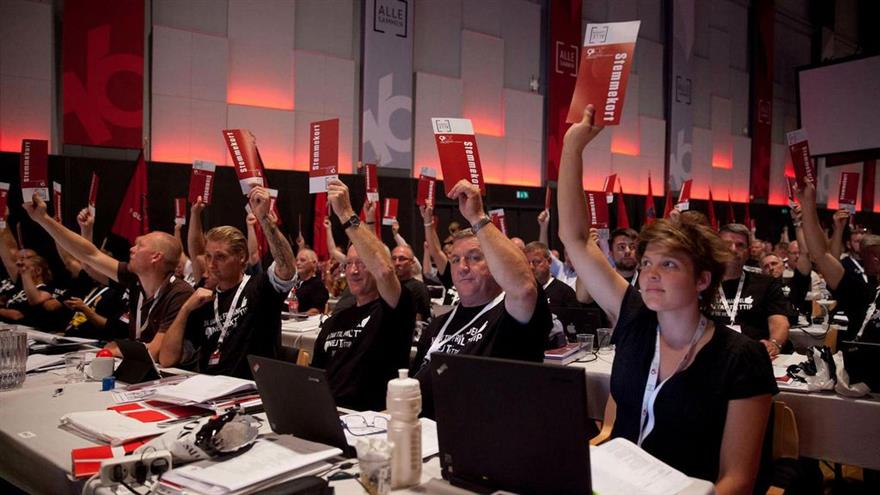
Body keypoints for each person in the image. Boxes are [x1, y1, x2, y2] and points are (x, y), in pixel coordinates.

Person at [558, 105, 776, 493]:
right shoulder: (635, 319)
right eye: (646, 262)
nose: (651, 273)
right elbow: (575, 239)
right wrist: (572, 149)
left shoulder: (741, 358)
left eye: (670, 264)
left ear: (702, 280)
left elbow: (738, 480)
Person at [411, 180, 552, 419]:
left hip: (485, 438)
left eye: (475, 257)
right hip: (423, 433)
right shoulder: (438, 326)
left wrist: (477, 217)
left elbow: (525, 288)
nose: (462, 267)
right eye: (455, 260)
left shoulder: (511, 314)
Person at [23, 193, 193, 360]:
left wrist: (117, 349)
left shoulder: (178, 292)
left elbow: (155, 351)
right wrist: (43, 219)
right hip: (137, 364)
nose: (132, 249)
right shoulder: (135, 278)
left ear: (156, 257)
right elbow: (90, 255)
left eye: (139, 245)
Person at [161, 187, 296, 378]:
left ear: (241, 257)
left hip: (251, 392)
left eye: (220, 257)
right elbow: (167, 359)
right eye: (208, 256)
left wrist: (264, 220)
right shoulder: (203, 300)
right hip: (209, 391)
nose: (211, 264)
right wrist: (185, 310)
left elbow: (287, 267)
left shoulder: (259, 288)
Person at [310, 178, 416, 411]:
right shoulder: (335, 320)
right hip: (324, 413)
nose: (354, 270)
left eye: (363, 263)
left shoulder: (395, 310)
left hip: (368, 423)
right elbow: (314, 377)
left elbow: (385, 271)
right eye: (349, 264)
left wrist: (346, 213)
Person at [797, 182, 880, 343]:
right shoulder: (862, 292)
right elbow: (821, 255)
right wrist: (808, 204)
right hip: (857, 364)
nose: (874, 258)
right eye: (871, 255)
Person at [710, 223, 791, 357]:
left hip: (753, 355)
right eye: (726, 244)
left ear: (748, 252)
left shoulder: (766, 284)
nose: (733, 249)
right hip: (713, 355)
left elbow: (779, 321)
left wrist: (774, 343)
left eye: (740, 245)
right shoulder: (703, 283)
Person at [290, 248, 329, 315]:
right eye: (297, 260)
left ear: (314, 263)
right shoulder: (293, 282)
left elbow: (315, 311)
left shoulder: (318, 285)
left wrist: (296, 317)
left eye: (302, 260)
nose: (298, 263)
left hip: (301, 323)